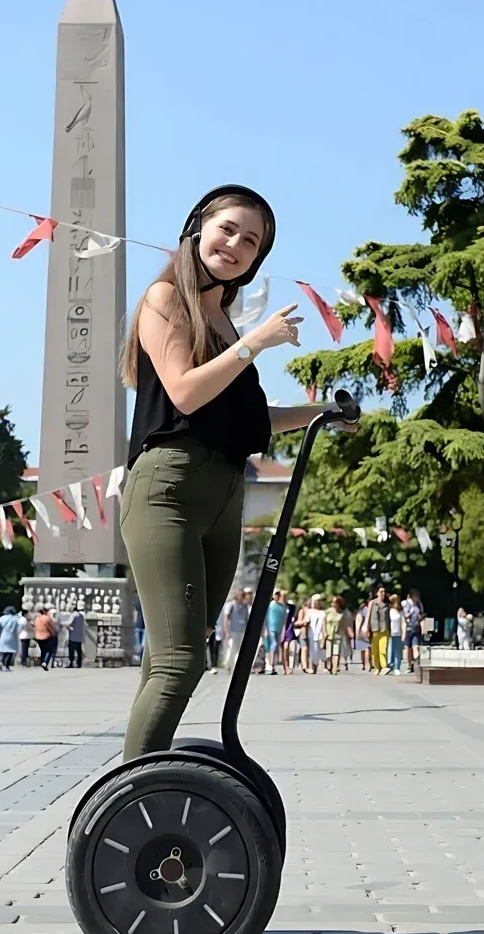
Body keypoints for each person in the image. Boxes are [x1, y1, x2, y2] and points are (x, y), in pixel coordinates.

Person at [118, 184, 357, 761]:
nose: (237, 245)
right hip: (168, 487)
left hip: (225, 493)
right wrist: (256, 342)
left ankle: (139, 790)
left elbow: (253, 417)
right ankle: (128, 803)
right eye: (228, 229)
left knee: (171, 655)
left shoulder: (221, 321)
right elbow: (183, 390)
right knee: (182, 662)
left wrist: (323, 412)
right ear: (199, 227)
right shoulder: (164, 298)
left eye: (251, 242)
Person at [324, 596, 353, 675]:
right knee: (329, 654)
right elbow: (324, 621)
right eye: (332, 601)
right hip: (329, 635)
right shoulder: (328, 611)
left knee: (336, 653)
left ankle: (335, 669)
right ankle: (329, 665)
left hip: (338, 635)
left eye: (335, 602)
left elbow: (345, 625)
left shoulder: (342, 613)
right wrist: (324, 631)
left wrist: (349, 633)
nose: (333, 603)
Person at [262, 588, 287, 675]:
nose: (277, 596)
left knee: (275, 647)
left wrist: (283, 631)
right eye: (276, 594)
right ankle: (270, 665)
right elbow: (265, 617)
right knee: (272, 645)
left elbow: (284, 620)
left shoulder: (282, 607)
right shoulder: (270, 605)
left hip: (278, 629)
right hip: (270, 628)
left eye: (278, 594)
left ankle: (272, 666)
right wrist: (265, 629)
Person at [366, 585, 390, 674]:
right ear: (376, 593)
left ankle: (384, 667)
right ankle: (377, 668)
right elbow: (368, 615)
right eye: (381, 591)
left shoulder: (387, 604)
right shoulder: (372, 603)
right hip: (374, 629)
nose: (383, 593)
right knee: (375, 649)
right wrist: (366, 627)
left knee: (383, 649)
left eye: (384, 591)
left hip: (385, 629)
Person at [223, 588, 249, 671]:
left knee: (239, 649)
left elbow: (246, 618)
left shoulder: (245, 606)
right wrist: (227, 631)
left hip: (242, 630)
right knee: (231, 649)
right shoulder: (230, 605)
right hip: (233, 630)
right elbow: (226, 618)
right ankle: (228, 665)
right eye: (242, 595)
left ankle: (236, 667)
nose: (243, 597)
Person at [402, 588, 424, 673]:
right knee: (408, 648)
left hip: (416, 628)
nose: (418, 597)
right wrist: (410, 613)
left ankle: (416, 664)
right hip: (408, 629)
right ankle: (409, 665)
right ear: (412, 596)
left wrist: (420, 618)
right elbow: (404, 616)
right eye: (416, 596)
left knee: (416, 647)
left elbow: (421, 615)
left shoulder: (419, 604)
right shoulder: (406, 603)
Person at [0, 606, 20, 671]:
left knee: (3, 650)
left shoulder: (3, 618)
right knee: (10, 651)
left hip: (4, 635)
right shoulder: (16, 618)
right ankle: (6, 666)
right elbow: (21, 624)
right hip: (12, 637)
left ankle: (2, 662)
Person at [34, 606, 58, 671]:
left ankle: (42, 662)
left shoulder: (37, 618)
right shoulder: (47, 618)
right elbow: (50, 627)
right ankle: (45, 662)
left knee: (43, 650)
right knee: (50, 650)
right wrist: (54, 633)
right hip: (46, 636)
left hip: (38, 636)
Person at [307, 594, 326, 673]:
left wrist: (325, 633)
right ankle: (313, 666)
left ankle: (325, 665)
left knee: (322, 651)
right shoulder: (309, 612)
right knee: (313, 651)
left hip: (321, 634)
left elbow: (324, 623)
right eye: (315, 601)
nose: (317, 603)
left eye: (318, 601)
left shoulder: (323, 612)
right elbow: (306, 623)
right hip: (312, 634)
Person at [280, 591, 298, 675]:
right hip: (279, 628)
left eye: (285, 596)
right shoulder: (278, 606)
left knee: (286, 647)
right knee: (282, 647)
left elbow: (293, 617)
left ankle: (287, 667)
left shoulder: (291, 607)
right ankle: (285, 667)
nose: (284, 598)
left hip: (288, 628)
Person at [388, 594, 406, 674]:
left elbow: (403, 622)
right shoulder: (389, 610)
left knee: (398, 651)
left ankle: (397, 667)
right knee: (390, 650)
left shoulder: (400, 611)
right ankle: (390, 665)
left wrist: (404, 633)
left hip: (398, 633)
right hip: (390, 633)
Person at [294, 597, 312, 673]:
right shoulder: (302, 611)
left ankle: (310, 665)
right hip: (304, 632)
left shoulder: (314, 611)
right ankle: (305, 667)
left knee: (310, 650)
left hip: (312, 633)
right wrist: (304, 622)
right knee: (304, 649)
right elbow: (297, 622)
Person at [354, 600, 371, 671]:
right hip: (367, 631)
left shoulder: (360, 612)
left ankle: (364, 664)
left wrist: (357, 634)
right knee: (367, 649)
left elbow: (358, 624)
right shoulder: (368, 611)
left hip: (361, 631)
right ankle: (368, 663)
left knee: (363, 649)